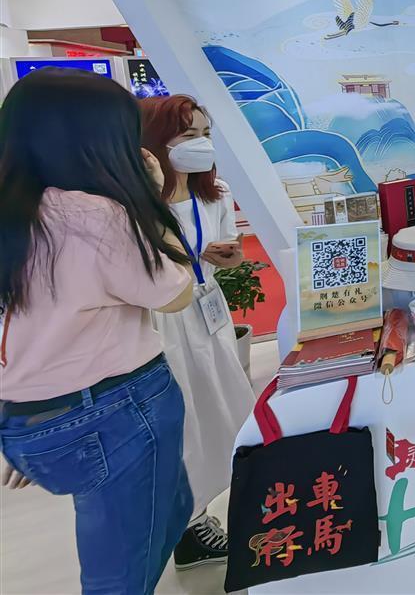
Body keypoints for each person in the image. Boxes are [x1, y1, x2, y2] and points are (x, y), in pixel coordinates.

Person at [0, 69, 195, 594]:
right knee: (122, 572)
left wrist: (33, 422)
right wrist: (148, 199)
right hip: (112, 407)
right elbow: (175, 292)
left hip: (32, 414)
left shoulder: (18, 212)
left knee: (168, 509)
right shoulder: (91, 216)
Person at [141, 95, 256, 570]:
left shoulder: (215, 192)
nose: (201, 144)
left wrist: (230, 257)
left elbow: (225, 249)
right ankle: (188, 525)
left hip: (209, 310)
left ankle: (208, 511)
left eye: (205, 134)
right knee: (181, 421)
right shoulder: (136, 202)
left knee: (224, 409)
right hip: (163, 320)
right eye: (188, 135)